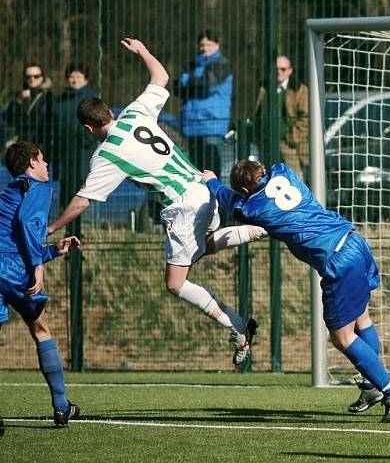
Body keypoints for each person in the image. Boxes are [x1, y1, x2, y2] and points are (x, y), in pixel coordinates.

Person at [48, 38, 265, 366]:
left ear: (89, 127)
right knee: (203, 245)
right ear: (110, 110)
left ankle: (238, 326)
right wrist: (144, 52)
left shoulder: (107, 154)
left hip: (182, 205)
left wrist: (52, 226)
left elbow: (81, 202)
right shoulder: (135, 112)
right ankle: (256, 228)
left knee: (175, 284)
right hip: (202, 188)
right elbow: (161, 77)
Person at [203, 160, 390, 423]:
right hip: (354, 241)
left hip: (336, 261)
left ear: (244, 190)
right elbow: (255, 185)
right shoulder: (283, 171)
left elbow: (228, 199)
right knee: (362, 319)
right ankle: (372, 388)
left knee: (342, 338)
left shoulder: (251, 207)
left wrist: (211, 180)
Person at [0, 141, 81, 426]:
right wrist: (38, 266)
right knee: (40, 329)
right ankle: (61, 405)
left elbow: (13, 238)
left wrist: (53, 251)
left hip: (5, 264)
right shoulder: (38, 188)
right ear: (32, 162)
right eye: (43, 159)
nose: (47, 165)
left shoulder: (9, 192)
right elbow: (26, 223)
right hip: (15, 271)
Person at [174, 31, 233, 175]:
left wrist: (188, 82)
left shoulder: (221, 64)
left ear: (217, 45)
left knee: (211, 170)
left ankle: (214, 198)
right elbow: (177, 88)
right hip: (192, 124)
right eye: (202, 44)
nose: (205, 48)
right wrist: (192, 83)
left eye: (209, 44)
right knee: (195, 172)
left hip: (211, 124)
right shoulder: (192, 65)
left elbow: (206, 85)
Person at [51, 66, 99, 209]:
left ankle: (75, 228)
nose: (74, 80)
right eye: (72, 76)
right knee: (66, 189)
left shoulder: (91, 98)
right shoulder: (61, 99)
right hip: (65, 151)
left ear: (86, 79)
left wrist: (87, 140)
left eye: (79, 76)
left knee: (81, 190)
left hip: (83, 150)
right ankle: (69, 228)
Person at [256, 56, 309, 179]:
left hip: (289, 144)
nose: (279, 72)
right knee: (269, 179)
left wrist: (294, 136)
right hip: (266, 143)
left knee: (293, 179)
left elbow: (306, 118)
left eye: (283, 69)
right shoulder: (264, 88)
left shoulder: (299, 90)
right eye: (276, 69)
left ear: (290, 70)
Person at [5, 64, 54, 153]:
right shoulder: (19, 95)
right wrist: (18, 101)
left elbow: (42, 120)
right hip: (21, 143)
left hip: (40, 143)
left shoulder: (48, 97)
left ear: (42, 77)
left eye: (36, 76)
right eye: (28, 76)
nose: (32, 79)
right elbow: (9, 118)